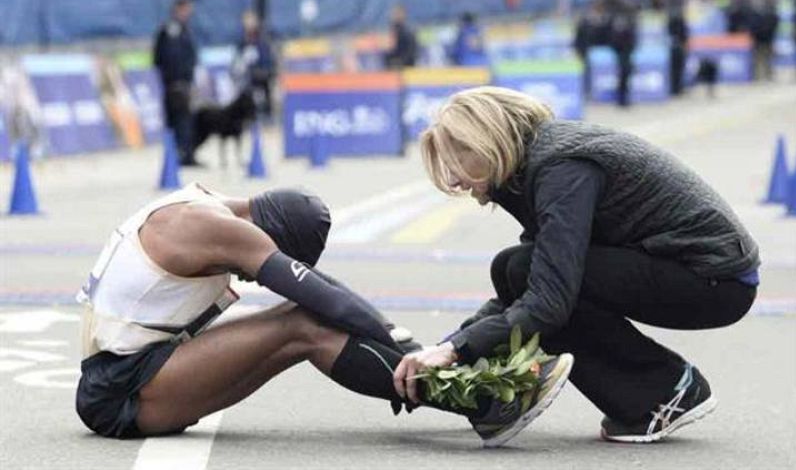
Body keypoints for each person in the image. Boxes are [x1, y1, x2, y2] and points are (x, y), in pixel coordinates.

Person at [75, 181, 573, 447]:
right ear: (273, 241)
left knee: (308, 318)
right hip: (121, 389)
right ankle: (482, 405)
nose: (249, 280)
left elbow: (326, 290)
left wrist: (407, 349)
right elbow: (320, 300)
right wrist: (405, 347)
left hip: (143, 370)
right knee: (301, 325)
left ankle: (470, 394)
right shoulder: (221, 230)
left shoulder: (202, 199)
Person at [400, 87, 760, 443]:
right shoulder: (537, 160)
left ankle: (665, 391)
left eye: (458, 158)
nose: (454, 179)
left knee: (526, 276)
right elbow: (535, 280)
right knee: (515, 268)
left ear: (487, 140)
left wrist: (456, 350)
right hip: (697, 270)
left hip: (715, 279)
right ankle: (659, 389)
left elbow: (547, 299)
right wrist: (449, 347)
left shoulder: (560, 168)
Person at [154, 0, 198, 166]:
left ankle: (186, 154)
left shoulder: (184, 29)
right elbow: (165, 57)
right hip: (175, 84)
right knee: (178, 120)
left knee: (185, 120)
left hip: (183, 83)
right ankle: (177, 155)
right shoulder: (171, 31)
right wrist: (176, 80)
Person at [232, 10, 275, 122]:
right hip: (245, 84)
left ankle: (265, 115)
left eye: (251, 21)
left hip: (260, 82)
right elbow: (236, 65)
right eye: (246, 21)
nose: (249, 24)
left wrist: (257, 73)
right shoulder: (241, 43)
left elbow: (268, 66)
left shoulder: (262, 42)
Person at [667, 0, 689, 96]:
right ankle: (677, 88)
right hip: (678, 45)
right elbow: (684, 33)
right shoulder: (680, 18)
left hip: (673, 45)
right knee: (678, 68)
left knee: (674, 69)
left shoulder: (670, 16)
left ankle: (674, 88)